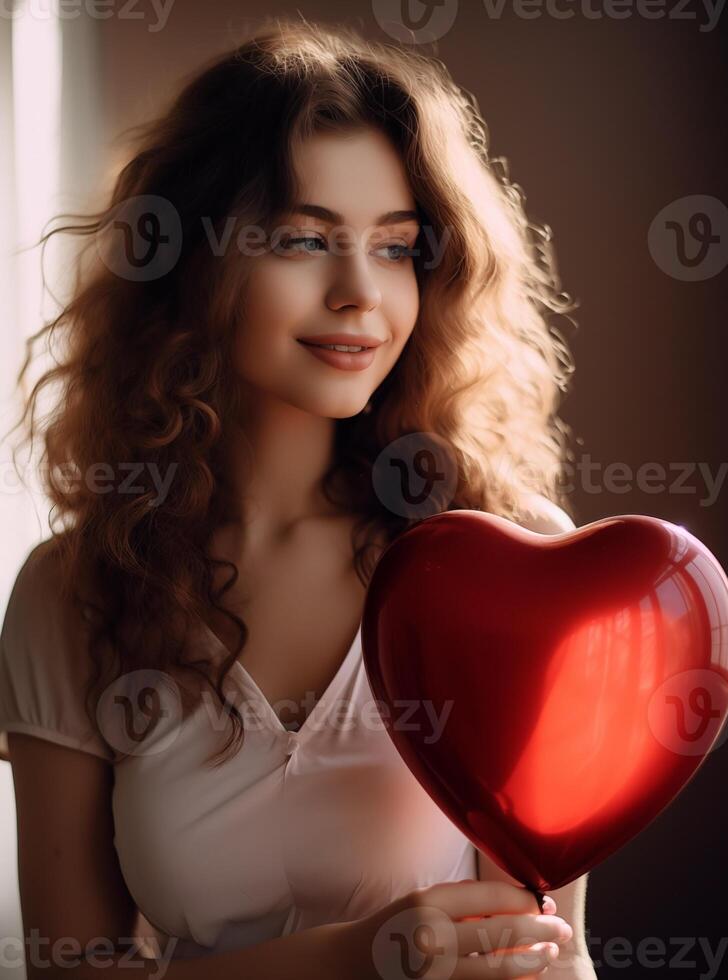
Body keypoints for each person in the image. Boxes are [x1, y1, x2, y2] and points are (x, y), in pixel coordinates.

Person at [0, 15, 595, 979]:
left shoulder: (509, 560)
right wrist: (359, 957)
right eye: (303, 239)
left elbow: (548, 957)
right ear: (192, 264)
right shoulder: (69, 598)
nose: (361, 291)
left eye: (396, 247)